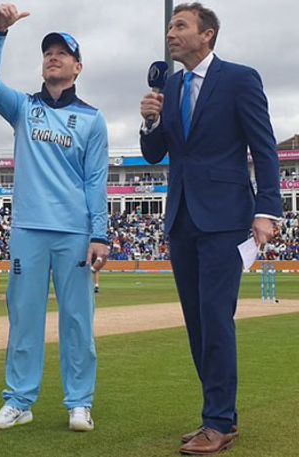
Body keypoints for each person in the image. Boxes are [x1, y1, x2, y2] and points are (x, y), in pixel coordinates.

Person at [139, 3, 281, 454]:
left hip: (225, 219)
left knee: (216, 319)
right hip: (181, 217)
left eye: (180, 25)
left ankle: (218, 421)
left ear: (208, 35)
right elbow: (154, 154)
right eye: (169, 26)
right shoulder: (171, 85)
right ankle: (219, 415)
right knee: (198, 323)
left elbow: (265, 148)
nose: (171, 33)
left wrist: (267, 210)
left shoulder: (240, 78)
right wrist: (149, 120)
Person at [0, 4, 110, 431]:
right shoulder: (23, 108)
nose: (53, 57)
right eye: (48, 52)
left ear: (77, 67)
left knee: (77, 322)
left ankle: (79, 402)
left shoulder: (92, 119)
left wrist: (100, 234)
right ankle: (19, 399)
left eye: (62, 53)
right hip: (28, 231)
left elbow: (95, 181)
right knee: (24, 319)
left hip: (73, 233)